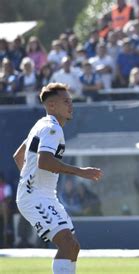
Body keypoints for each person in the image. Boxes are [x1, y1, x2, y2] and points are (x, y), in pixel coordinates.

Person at [13, 83, 102, 274]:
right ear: (52, 106)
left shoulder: (41, 124)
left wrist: (28, 183)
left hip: (42, 195)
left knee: (72, 246)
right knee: (67, 244)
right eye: (66, 102)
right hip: (36, 197)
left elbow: (18, 156)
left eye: (71, 101)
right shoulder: (53, 128)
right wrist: (80, 171)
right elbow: (44, 162)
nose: (71, 105)